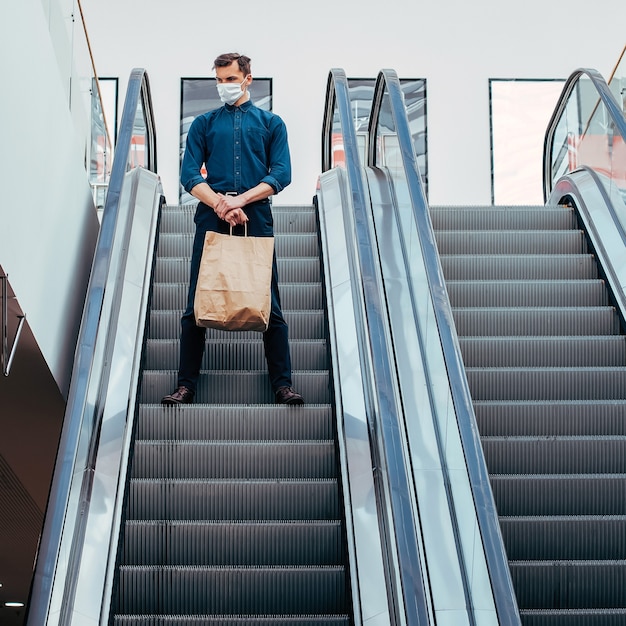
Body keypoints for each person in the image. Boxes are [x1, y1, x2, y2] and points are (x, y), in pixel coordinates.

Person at [162, 52, 304, 406]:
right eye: (220, 79)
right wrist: (222, 205)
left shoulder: (272, 124)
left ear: (247, 79)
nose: (224, 85)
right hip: (212, 216)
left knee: (269, 302)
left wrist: (239, 202)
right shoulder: (203, 124)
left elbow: (281, 174)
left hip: (255, 216)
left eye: (230, 79)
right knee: (197, 300)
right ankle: (186, 385)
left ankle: (282, 385)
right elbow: (189, 176)